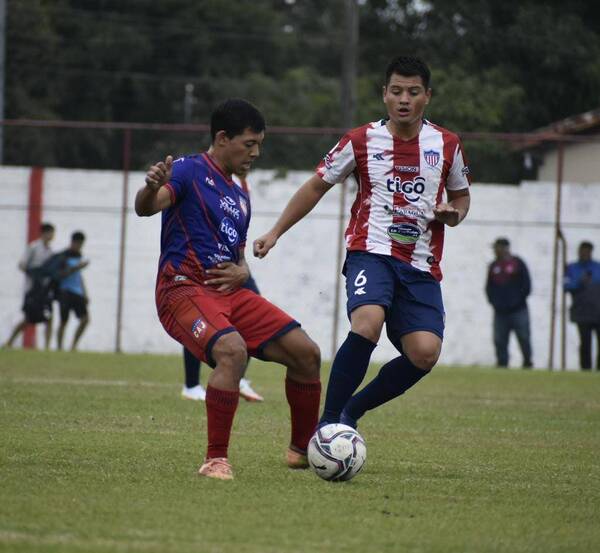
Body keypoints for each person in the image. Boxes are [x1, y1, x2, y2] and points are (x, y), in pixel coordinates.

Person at [254, 56, 471, 430]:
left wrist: (454, 213)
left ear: (427, 96)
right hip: (370, 252)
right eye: (397, 91)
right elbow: (316, 186)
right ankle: (327, 424)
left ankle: (352, 410)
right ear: (384, 94)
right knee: (367, 324)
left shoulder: (447, 144)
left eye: (413, 92)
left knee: (424, 353)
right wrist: (275, 232)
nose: (405, 99)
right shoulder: (360, 140)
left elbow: (461, 196)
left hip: (420, 265)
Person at [136, 99, 321, 480]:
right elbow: (149, 206)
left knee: (307, 353)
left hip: (229, 295)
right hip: (183, 290)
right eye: (249, 143)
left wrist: (243, 270)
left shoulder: (240, 196)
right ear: (222, 138)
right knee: (232, 351)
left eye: (260, 144)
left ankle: (303, 452)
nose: (256, 152)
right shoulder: (187, 171)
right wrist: (149, 189)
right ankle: (215, 459)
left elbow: (237, 258)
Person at [181, 175, 263, 403]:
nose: (254, 152)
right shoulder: (205, 175)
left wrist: (242, 265)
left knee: (253, 314)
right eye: (249, 144)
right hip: (209, 261)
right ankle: (191, 385)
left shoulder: (241, 181)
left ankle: (238, 378)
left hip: (234, 262)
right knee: (198, 319)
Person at [4, 222, 56, 349]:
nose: (52, 236)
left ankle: (47, 347)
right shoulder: (33, 247)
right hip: (32, 289)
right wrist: (33, 274)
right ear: (44, 233)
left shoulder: (50, 251)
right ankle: (9, 342)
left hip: (44, 289)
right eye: (50, 233)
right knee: (28, 319)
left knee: (49, 317)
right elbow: (22, 264)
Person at [485, 237, 533, 368]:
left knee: (524, 337)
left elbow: (527, 286)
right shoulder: (493, 266)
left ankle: (527, 362)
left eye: (497, 247)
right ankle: (502, 364)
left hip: (519, 310)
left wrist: (517, 302)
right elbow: (489, 287)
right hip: (500, 312)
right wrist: (494, 303)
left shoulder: (518, 263)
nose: (495, 250)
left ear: (504, 248)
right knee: (500, 340)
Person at [564, 241, 600, 370]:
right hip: (581, 311)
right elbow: (566, 286)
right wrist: (579, 283)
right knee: (585, 343)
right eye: (581, 251)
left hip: (598, 311)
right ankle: (585, 368)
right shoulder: (572, 268)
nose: (584, 254)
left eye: (586, 251)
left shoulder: (597, 267)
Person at [56, 231, 90, 351]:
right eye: (79, 244)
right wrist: (77, 267)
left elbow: (79, 276)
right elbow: (60, 274)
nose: (80, 246)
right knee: (63, 321)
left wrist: (85, 292)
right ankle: (59, 347)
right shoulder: (63, 256)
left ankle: (73, 345)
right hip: (65, 291)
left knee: (85, 319)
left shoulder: (79, 255)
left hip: (77, 292)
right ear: (73, 242)